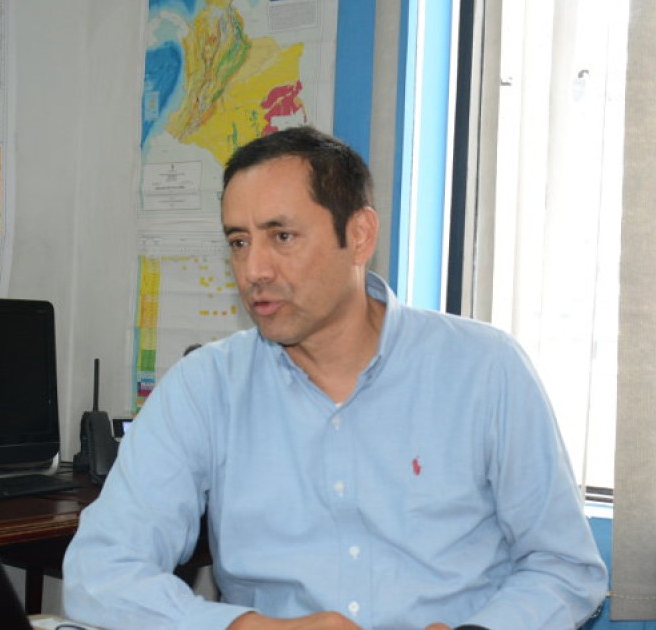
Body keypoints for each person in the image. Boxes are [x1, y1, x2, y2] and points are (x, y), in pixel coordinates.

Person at [62, 126, 607, 629]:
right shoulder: (204, 387)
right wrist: (245, 628)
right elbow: (100, 571)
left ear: (360, 235)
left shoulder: (486, 368)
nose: (254, 270)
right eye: (239, 242)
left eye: (282, 236)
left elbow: (564, 567)